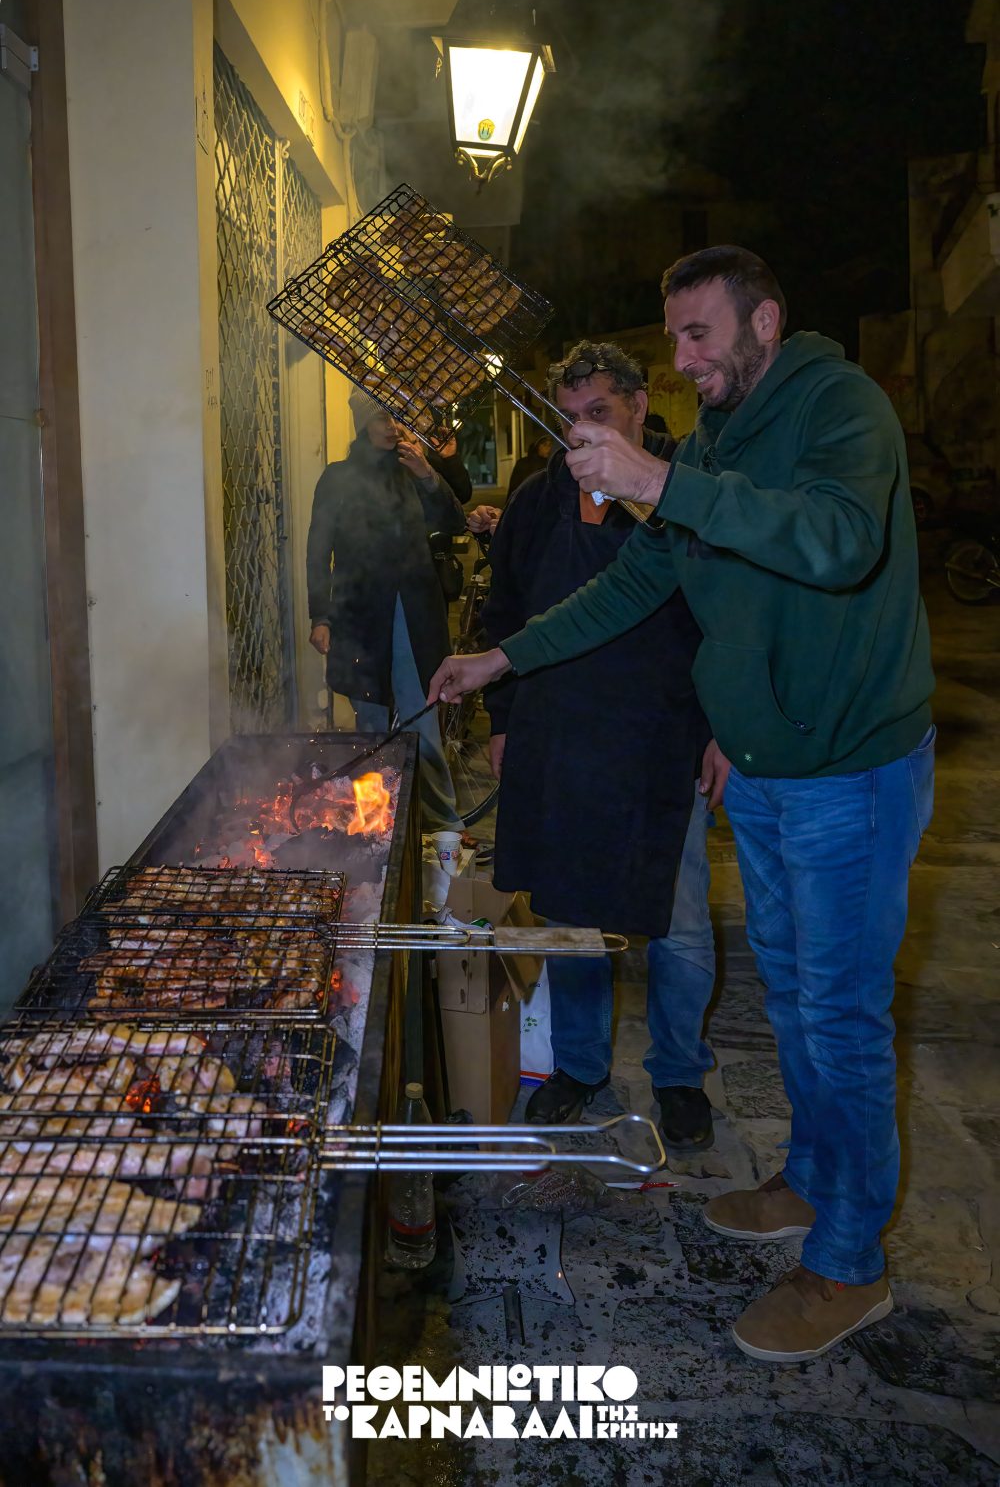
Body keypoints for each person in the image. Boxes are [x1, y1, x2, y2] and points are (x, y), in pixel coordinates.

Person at [428, 246, 935, 1365]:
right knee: (796, 996)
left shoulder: (837, 406)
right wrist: (498, 658)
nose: (685, 359)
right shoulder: (717, 439)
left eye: (702, 335)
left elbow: (837, 542)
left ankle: (849, 1264)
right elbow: (634, 584)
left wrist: (660, 482)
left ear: (765, 320)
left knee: (843, 1018)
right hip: (761, 767)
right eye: (676, 340)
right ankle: (810, 1181)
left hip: (847, 769)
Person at [481, 341, 719, 1150]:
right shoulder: (536, 502)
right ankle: (580, 1068)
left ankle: (680, 1075)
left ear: (641, 408)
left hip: (663, 736)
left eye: (600, 415)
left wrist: (717, 734)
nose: (581, 434)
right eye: (569, 418)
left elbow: (725, 619)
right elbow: (504, 612)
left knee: (676, 918)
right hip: (556, 736)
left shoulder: (682, 494)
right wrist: (503, 721)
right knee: (570, 915)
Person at [307, 389, 465, 831]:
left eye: (397, 414)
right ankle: (378, 825)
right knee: (372, 723)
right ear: (361, 422)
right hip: (359, 613)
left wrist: (429, 475)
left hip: (415, 612)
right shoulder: (338, 477)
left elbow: (455, 521)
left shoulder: (412, 469)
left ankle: (440, 824)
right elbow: (318, 549)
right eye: (381, 416)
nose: (392, 425)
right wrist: (320, 615)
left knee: (422, 712)